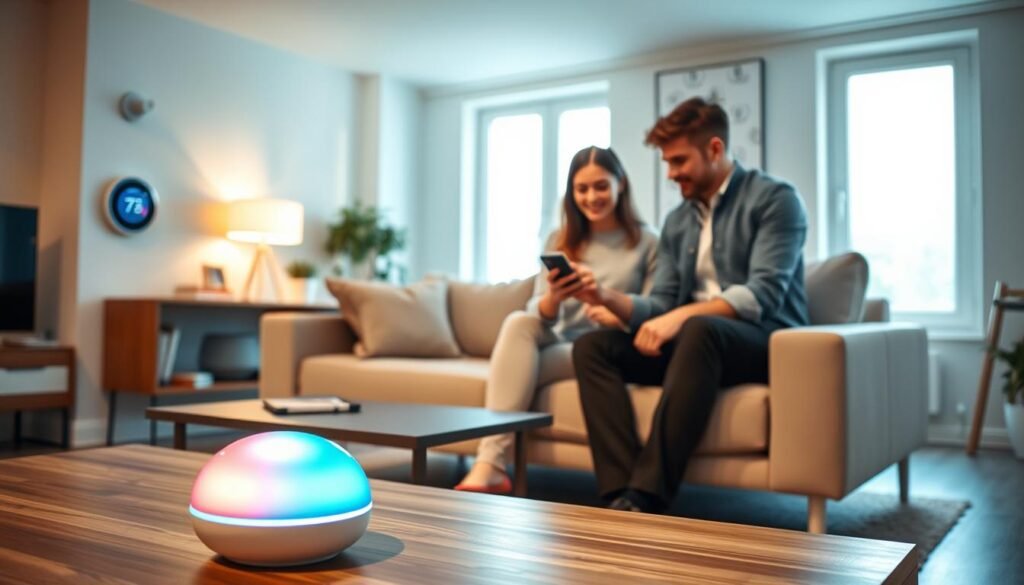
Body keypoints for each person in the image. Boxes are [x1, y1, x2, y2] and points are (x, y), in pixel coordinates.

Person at [571, 97, 809, 513]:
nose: (671, 173)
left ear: (715, 149)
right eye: (667, 162)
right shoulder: (679, 221)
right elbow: (661, 301)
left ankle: (648, 495)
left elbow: (762, 295)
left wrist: (679, 319)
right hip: (694, 347)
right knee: (593, 347)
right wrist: (604, 296)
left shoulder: (775, 200)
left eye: (679, 161)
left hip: (763, 342)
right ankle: (619, 493)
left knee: (699, 329)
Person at [455, 146, 658, 493]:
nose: (591, 197)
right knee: (519, 322)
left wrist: (613, 314)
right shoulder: (560, 239)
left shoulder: (647, 242)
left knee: (524, 362)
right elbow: (541, 314)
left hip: (604, 348)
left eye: (601, 186)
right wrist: (555, 297)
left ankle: (491, 464)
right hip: (558, 341)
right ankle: (489, 463)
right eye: (582, 189)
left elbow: (654, 310)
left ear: (620, 184)